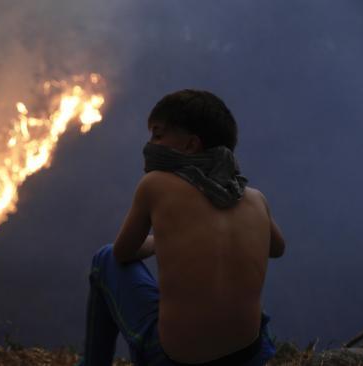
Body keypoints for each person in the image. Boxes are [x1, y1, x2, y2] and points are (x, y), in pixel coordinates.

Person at [79, 90, 285, 366]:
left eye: (158, 134)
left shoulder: (155, 185)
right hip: (247, 355)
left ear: (190, 146)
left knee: (104, 259)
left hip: (174, 359)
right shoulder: (255, 197)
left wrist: (158, 241)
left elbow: (123, 252)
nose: (150, 144)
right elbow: (277, 248)